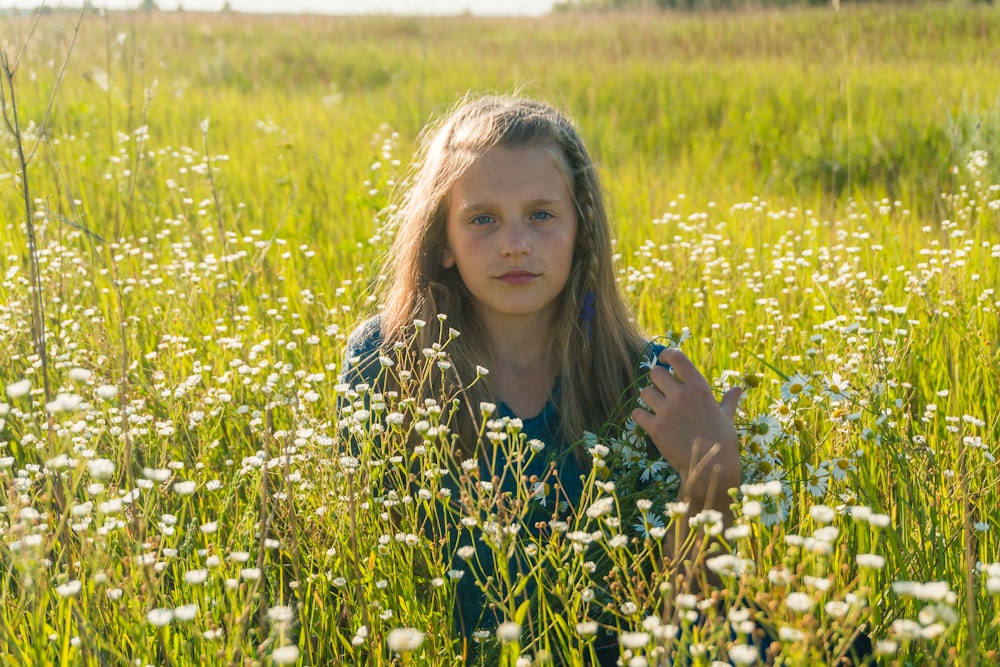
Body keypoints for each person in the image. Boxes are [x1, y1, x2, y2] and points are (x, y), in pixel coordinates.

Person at [339, 93, 743, 665]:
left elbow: (686, 625)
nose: (515, 244)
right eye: (482, 219)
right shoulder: (385, 361)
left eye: (542, 215)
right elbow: (370, 580)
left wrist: (712, 480)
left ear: (582, 228)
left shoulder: (648, 380)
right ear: (441, 242)